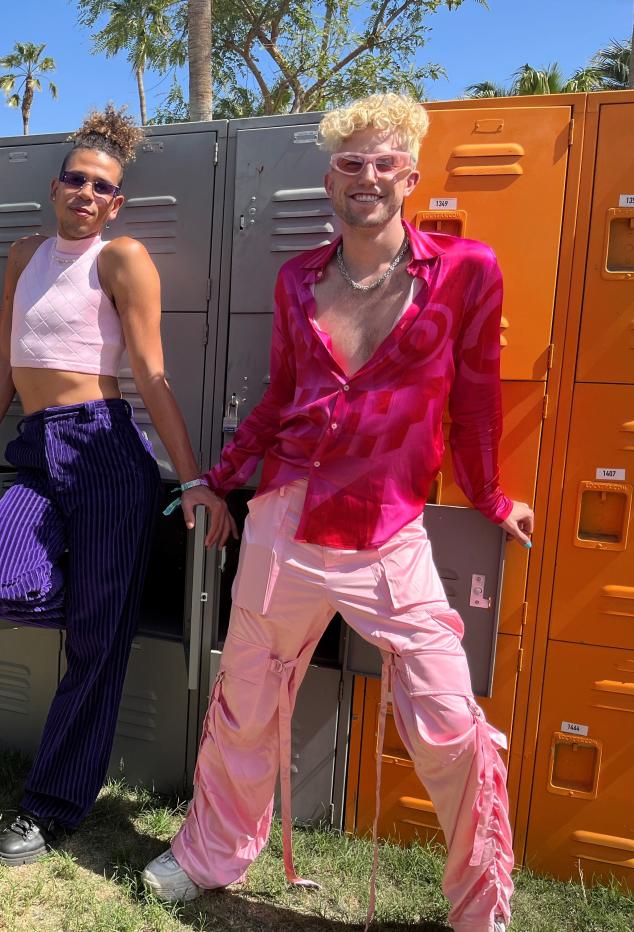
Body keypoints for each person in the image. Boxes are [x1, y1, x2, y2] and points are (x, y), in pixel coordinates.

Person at [141, 94, 529, 932]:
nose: (368, 177)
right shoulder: (298, 278)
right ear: (330, 178)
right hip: (285, 518)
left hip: (389, 531)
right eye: (352, 163)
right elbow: (282, 397)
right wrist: (219, 478)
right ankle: (209, 854)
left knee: (450, 728)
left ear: (411, 176)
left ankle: (479, 906)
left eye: (385, 162)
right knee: (246, 702)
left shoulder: (467, 271)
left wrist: (492, 498)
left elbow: (477, 404)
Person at [0, 106, 226, 867]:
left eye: (103, 186)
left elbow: (153, 372)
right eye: (76, 178)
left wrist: (192, 475)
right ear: (56, 184)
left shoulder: (121, 257)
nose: (87, 193)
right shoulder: (25, 254)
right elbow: (3, 361)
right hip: (37, 449)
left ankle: (49, 806)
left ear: (116, 202)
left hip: (103, 446)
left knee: (95, 647)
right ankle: (112, 609)